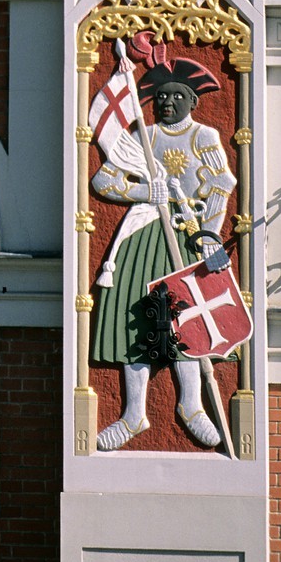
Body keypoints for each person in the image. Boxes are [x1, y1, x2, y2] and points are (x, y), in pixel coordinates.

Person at [91, 51, 236, 451]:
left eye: (177, 96)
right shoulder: (146, 137)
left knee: (187, 318)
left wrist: (209, 236)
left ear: (193, 101)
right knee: (134, 318)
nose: (168, 102)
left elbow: (221, 185)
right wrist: (143, 190)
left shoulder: (204, 136)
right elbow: (103, 180)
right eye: (161, 97)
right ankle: (133, 414)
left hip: (187, 235)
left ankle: (191, 405)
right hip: (145, 236)